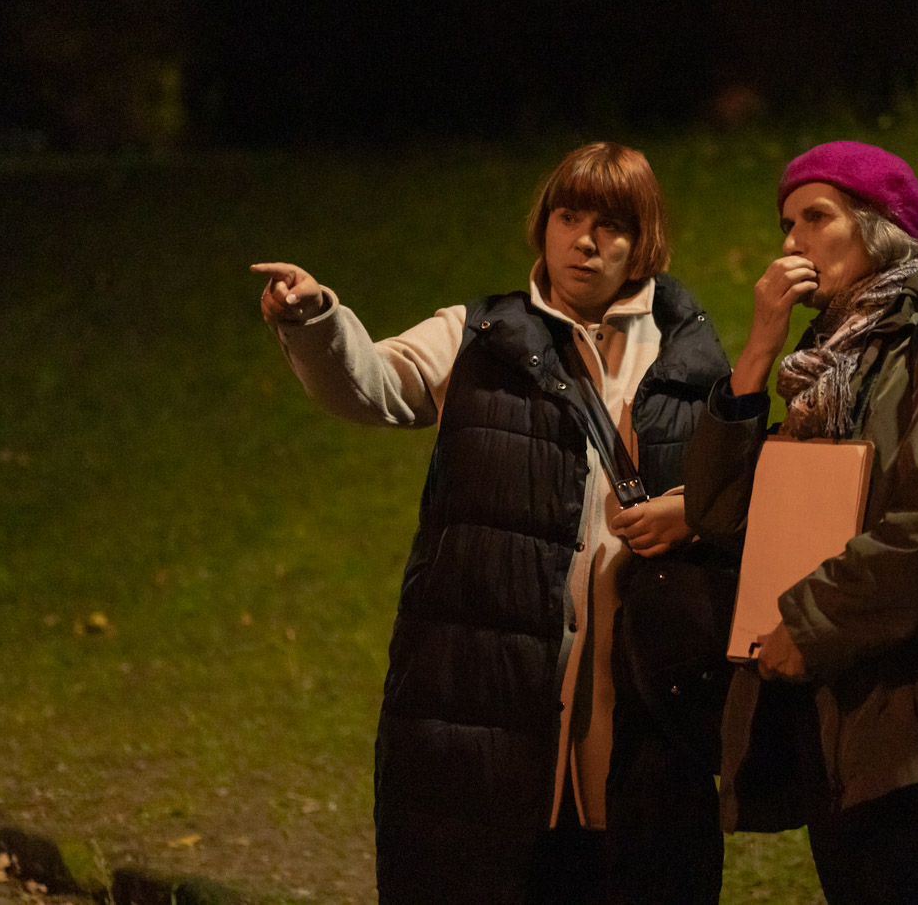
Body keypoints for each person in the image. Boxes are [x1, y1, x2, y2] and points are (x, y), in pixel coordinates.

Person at [252, 142, 730, 905]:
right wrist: (316, 320)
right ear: (544, 225)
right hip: (480, 710)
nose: (584, 241)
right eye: (568, 216)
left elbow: (732, 504)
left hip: (637, 732)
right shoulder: (475, 334)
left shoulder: (690, 358)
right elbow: (369, 384)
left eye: (609, 224)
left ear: (642, 241)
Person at [683, 141, 918, 905]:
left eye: (816, 217)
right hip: (844, 714)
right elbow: (722, 514)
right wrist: (757, 353)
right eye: (786, 224)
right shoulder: (822, 366)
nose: (791, 243)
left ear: (880, 226)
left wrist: (811, 621)